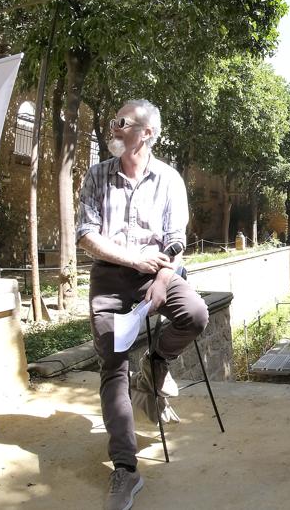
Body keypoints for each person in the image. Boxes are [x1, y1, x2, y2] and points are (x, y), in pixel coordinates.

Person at [76, 99, 208, 510]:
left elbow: (176, 241)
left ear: (146, 133)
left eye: (122, 123)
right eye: (113, 121)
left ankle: (154, 363)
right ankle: (126, 469)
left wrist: (163, 278)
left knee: (196, 315)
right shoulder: (97, 175)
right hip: (112, 277)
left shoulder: (169, 179)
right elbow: (85, 234)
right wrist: (132, 260)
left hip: (160, 274)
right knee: (113, 363)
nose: (113, 128)